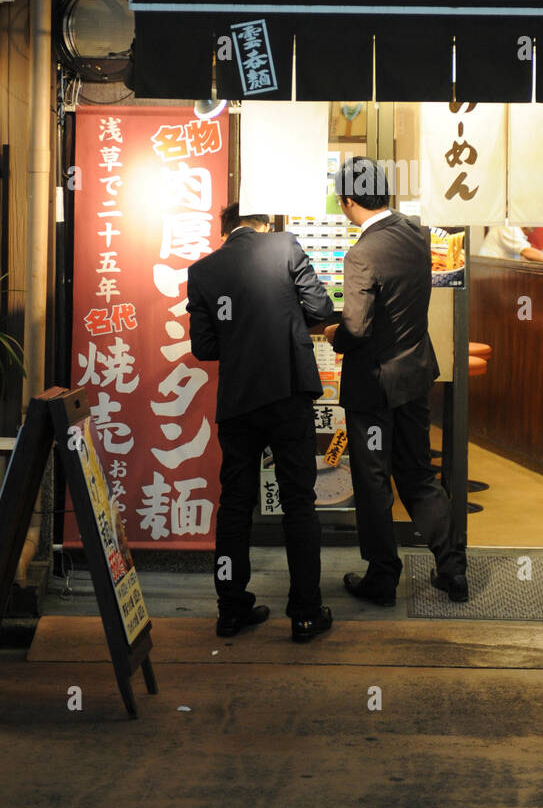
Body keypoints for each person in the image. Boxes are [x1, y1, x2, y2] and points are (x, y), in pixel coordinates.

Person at [187, 203, 335, 643]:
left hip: (239, 402)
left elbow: (204, 347)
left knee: (234, 503)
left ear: (226, 230)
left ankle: (230, 610)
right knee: (298, 503)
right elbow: (320, 307)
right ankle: (305, 614)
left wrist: (241, 338)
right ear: (263, 223)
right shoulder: (285, 245)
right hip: (288, 393)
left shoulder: (203, 272)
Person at [324, 158, 468, 605]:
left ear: (349, 202)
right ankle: (453, 570)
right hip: (414, 376)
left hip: (373, 386)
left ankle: (383, 576)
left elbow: (357, 327)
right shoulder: (416, 233)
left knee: (373, 481)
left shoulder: (361, 253)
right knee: (419, 474)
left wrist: (334, 335)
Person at [478, 223, 543, 266]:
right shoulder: (507, 225)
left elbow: (522, 255)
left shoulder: (516, 231)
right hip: (488, 276)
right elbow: (527, 252)